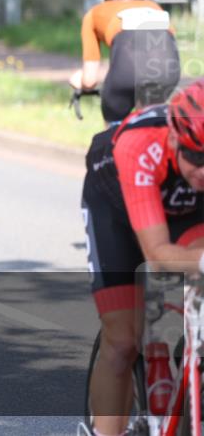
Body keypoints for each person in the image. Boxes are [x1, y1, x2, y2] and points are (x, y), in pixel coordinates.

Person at [82, 79, 204, 436]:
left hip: (187, 207)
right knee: (122, 341)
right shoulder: (141, 146)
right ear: (173, 140)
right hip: (116, 204)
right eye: (196, 158)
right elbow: (157, 254)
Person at [70, 0, 181, 124]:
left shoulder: (95, 12)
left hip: (126, 67)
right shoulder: (152, 6)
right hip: (167, 68)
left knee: (114, 123)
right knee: (152, 119)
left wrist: (80, 81)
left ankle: (114, 141)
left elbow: (90, 80)